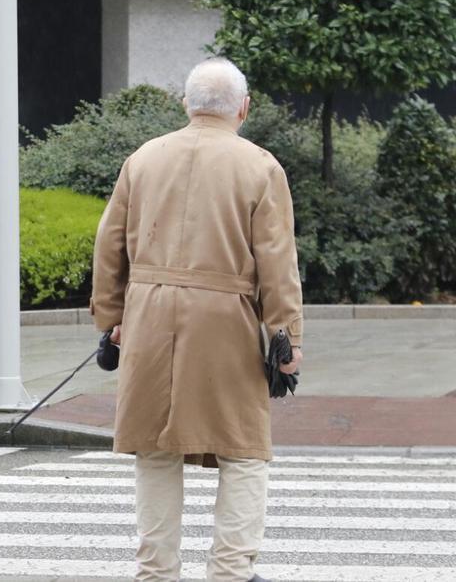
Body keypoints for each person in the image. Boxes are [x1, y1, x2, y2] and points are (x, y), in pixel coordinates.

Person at [91, 58, 304, 582]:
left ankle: (156, 571)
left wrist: (112, 317)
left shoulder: (143, 159)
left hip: (149, 311)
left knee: (155, 446)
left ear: (185, 104)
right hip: (225, 316)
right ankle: (231, 570)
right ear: (244, 108)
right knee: (244, 447)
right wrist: (286, 337)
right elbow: (277, 261)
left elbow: (109, 244)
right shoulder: (260, 166)